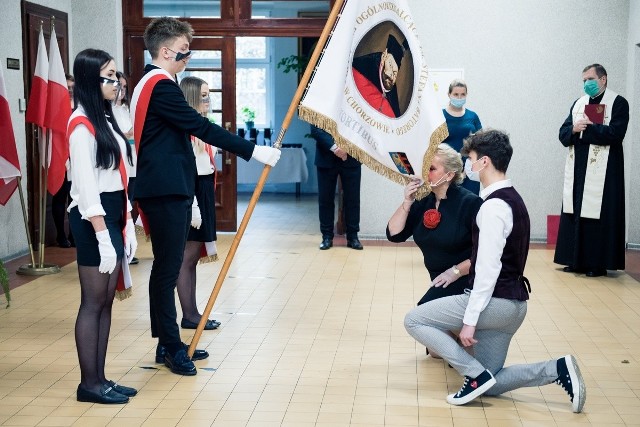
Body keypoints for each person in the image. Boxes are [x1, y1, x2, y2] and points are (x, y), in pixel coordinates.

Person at [131, 17, 280, 377]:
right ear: (165, 51)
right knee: (166, 271)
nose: (188, 57)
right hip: (165, 190)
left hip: (167, 188)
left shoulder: (150, 83)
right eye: (185, 51)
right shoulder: (162, 86)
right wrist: (252, 151)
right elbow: (199, 126)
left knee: (165, 270)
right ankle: (170, 346)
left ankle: (167, 342)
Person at [404, 130, 586, 413]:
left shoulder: (492, 208)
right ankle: (556, 369)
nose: (469, 166)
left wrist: (470, 321)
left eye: (472, 160)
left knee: (414, 320)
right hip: (514, 305)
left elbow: (487, 271)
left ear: (485, 162)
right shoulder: (513, 199)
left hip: (495, 304)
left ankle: (473, 375)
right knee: (492, 381)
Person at [67, 49, 138, 404]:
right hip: (91, 217)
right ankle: (88, 384)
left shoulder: (105, 119)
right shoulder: (81, 125)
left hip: (112, 212)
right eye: (109, 77)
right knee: (93, 303)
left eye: (116, 75)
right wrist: (103, 236)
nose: (117, 83)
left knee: (107, 302)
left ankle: (101, 377)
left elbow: (119, 176)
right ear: (91, 82)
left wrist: (126, 226)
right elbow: (85, 188)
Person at [387, 143, 481, 357]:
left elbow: (485, 254)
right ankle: (460, 337)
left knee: (420, 320)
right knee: (436, 351)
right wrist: (407, 201)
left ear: (449, 174)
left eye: (432, 169)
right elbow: (394, 233)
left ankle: (469, 339)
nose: (425, 174)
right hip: (440, 281)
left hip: (467, 280)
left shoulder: (471, 203)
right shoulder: (424, 202)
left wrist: (456, 270)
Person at [554, 64, 629, 278]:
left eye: (590, 79)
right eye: (584, 80)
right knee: (576, 210)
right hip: (578, 169)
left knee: (599, 214)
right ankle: (574, 260)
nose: (586, 84)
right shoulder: (578, 103)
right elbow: (563, 133)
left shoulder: (618, 102)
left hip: (605, 173)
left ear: (603, 79)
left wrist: (587, 129)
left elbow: (616, 133)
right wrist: (574, 129)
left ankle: (597, 263)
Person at [177, 76, 221, 331]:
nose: (208, 99)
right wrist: (193, 203)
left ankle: (193, 311)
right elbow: (187, 170)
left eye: (208, 94)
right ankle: (189, 314)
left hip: (203, 189)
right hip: (192, 191)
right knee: (188, 256)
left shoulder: (200, 125)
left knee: (192, 257)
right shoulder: (186, 129)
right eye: (203, 95)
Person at [311, 125, 363, 250]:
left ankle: (353, 237)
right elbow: (316, 129)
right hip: (326, 156)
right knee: (325, 199)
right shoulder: (320, 104)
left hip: (351, 156)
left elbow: (361, 126)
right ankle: (327, 237)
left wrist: (346, 147)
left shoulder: (356, 104)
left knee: (353, 199)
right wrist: (335, 148)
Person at [111, 71, 139, 265]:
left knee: (131, 204)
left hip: (133, 163)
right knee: (121, 205)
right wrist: (126, 134)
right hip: (117, 165)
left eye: (124, 87)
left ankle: (128, 245)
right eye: (118, 85)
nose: (121, 90)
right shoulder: (108, 111)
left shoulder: (128, 108)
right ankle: (119, 246)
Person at [352, 34, 409, 118]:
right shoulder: (361, 68)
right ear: (383, 56)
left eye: (395, 72)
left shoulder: (390, 84)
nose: (391, 74)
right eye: (390, 65)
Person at [442, 79, 483, 194]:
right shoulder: (439, 116)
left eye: (462, 94)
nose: (459, 98)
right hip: (447, 169)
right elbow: (433, 145)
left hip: (470, 169)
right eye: (456, 94)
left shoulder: (472, 116)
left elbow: (481, 143)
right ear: (449, 94)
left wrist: (469, 166)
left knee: (470, 203)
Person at [51, 74, 76, 248]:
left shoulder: (80, 106)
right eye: (67, 87)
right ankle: (61, 234)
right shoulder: (57, 107)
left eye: (72, 87)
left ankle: (74, 234)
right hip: (61, 156)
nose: (70, 91)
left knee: (75, 198)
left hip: (77, 156)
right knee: (60, 197)